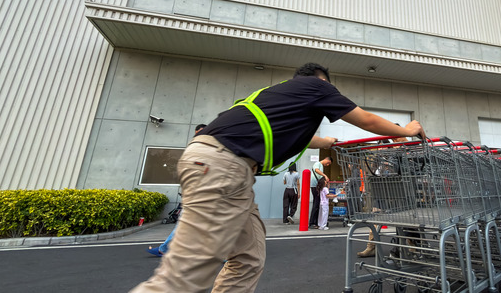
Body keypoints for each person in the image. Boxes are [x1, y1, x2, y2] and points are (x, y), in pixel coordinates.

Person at [131, 62, 425, 293]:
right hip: (223, 168)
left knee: (248, 259)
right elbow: (366, 119)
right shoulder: (317, 86)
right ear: (320, 79)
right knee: (186, 274)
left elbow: (284, 133)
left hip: (221, 167)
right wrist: (408, 130)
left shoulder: (270, 96)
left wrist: (323, 142)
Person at [146, 124, 206, 257]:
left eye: (200, 132)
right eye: (196, 133)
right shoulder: (198, 148)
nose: (197, 135)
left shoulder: (205, 149)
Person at [309, 156, 332, 229]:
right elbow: (316, 170)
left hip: (317, 186)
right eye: (328, 163)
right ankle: (312, 222)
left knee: (317, 204)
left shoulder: (321, 166)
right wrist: (324, 175)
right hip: (315, 186)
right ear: (326, 159)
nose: (327, 165)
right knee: (316, 204)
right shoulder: (318, 163)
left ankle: (316, 222)